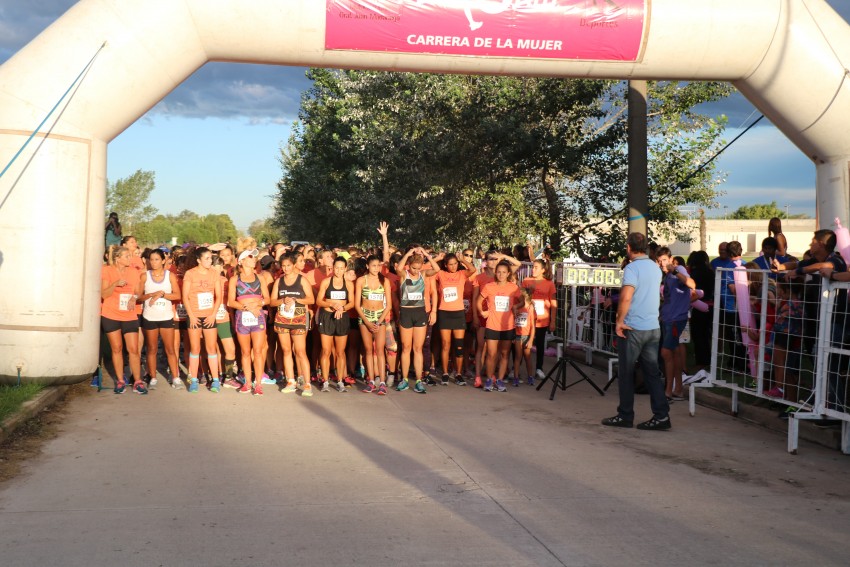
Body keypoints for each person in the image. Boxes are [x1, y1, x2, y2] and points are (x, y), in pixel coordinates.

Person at [601, 232, 671, 430]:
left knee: (626, 372)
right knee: (652, 373)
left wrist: (619, 321)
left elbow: (626, 297)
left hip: (633, 327)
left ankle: (625, 415)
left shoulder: (632, 268)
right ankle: (661, 415)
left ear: (629, 248)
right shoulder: (655, 268)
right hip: (652, 327)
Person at [100, 246, 146, 394]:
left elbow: (139, 291)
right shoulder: (107, 270)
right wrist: (114, 285)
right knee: (117, 348)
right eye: (126, 256)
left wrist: (134, 297)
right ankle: (120, 381)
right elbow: (104, 294)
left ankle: (137, 381)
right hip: (111, 314)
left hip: (129, 315)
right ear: (117, 258)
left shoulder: (133, 272)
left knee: (133, 349)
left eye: (130, 256)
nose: (130, 259)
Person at [395, 248, 440, 393]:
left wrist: (427, 256)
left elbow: (437, 268)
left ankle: (419, 381)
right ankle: (405, 379)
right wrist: (407, 254)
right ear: (409, 265)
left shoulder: (424, 274)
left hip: (420, 313)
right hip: (406, 313)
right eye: (414, 268)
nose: (416, 271)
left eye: (418, 268)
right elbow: (399, 268)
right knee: (406, 347)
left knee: (418, 348)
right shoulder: (404, 274)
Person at [271, 253, 316, 397]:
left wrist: (296, 299)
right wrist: (283, 300)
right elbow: (272, 301)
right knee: (285, 350)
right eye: (283, 266)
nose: (285, 268)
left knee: (300, 351)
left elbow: (311, 299)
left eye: (288, 265)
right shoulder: (279, 281)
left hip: (298, 318)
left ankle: (307, 383)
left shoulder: (302, 279)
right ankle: (290, 381)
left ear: (293, 265)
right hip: (283, 317)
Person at [228, 249, 270, 395]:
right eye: (250, 257)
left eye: (254, 257)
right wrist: (247, 307)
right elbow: (231, 302)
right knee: (245, 352)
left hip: (258, 316)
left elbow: (268, 299)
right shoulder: (235, 279)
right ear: (242, 261)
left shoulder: (260, 278)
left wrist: (257, 305)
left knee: (258, 351)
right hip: (242, 317)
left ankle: (258, 384)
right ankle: (247, 382)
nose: (254, 259)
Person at [137, 248, 181, 388]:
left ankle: (175, 377)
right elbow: (138, 297)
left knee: (170, 349)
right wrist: (151, 294)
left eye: (156, 259)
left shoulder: (170, 276)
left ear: (163, 261)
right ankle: (153, 378)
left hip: (166, 316)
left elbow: (177, 295)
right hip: (150, 317)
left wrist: (162, 294)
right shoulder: (145, 276)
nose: (154, 262)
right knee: (151, 348)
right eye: (151, 259)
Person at [182, 246, 223, 393]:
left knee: (211, 348)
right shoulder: (190, 274)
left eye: (210, 258)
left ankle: (215, 380)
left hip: (209, 315)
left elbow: (219, 296)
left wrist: (213, 314)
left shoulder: (214, 273)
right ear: (198, 260)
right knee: (195, 348)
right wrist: (192, 316)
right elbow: (185, 296)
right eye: (206, 258)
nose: (209, 261)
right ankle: (194, 379)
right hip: (194, 315)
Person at [656, 247, 695, 401]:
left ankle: (668, 390)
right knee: (674, 353)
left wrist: (675, 272)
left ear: (671, 259)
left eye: (664, 260)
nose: (661, 264)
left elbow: (692, 284)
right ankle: (677, 388)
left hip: (675, 319)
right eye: (659, 261)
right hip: (667, 318)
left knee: (666, 353)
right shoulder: (665, 276)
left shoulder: (678, 269)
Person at [476, 260, 522, 392]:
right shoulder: (489, 286)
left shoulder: (513, 287)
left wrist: (516, 306)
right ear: (495, 273)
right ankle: (490, 379)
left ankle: (500, 380)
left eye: (504, 272)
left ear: (508, 274)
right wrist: (481, 312)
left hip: (507, 326)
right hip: (492, 325)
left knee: (504, 354)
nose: (501, 275)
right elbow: (479, 301)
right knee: (491, 354)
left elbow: (523, 301)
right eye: (499, 272)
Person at [434, 251, 477, 386]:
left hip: (458, 313)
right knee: (446, 345)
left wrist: (462, 259)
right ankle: (446, 373)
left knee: (459, 346)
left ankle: (458, 374)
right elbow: (426, 269)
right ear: (445, 265)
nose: (453, 267)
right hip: (444, 313)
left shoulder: (461, 274)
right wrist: (437, 258)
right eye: (450, 264)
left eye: (455, 264)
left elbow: (473, 269)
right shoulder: (440, 274)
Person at [355, 255, 393, 395]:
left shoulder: (385, 281)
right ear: (367, 266)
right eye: (373, 265)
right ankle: (371, 381)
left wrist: (377, 322)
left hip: (379, 317)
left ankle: (382, 382)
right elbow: (357, 304)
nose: (376, 268)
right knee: (368, 350)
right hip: (365, 317)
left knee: (380, 350)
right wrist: (367, 322)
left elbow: (388, 305)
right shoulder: (361, 281)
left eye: (378, 265)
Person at [316, 256, 355, 392]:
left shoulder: (349, 284)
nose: (338, 271)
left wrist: (342, 308)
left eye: (341, 268)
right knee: (326, 351)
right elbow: (319, 301)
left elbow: (352, 303)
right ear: (333, 268)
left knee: (340, 352)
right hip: (327, 317)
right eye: (336, 268)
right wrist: (332, 304)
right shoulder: (326, 282)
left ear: (345, 269)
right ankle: (325, 381)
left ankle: (340, 381)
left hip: (342, 318)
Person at [521, 259, 557, 381]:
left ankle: (539, 368)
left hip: (542, 319)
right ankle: (516, 368)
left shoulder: (549, 284)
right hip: (527, 319)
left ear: (543, 270)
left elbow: (553, 303)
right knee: (522, 343)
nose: (533, 269)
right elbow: (522, 299)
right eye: (533, 267)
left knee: (540, 344)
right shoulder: (526, 281)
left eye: (536, 267)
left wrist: (553, 321)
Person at [686, 250, 714, 372]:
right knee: (706, 335)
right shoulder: (711, 272)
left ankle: (702, 361)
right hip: (711, 305)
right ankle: (707, 359)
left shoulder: (695, 274)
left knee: (698, 335)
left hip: (699, 305)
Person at [512, 288, 536, 386]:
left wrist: (531, 340)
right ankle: (516, 377)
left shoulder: (531, 308)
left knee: (527, 357)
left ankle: (530, 376)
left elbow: (533, 326)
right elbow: (512, 323)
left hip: (527, 335)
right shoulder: (516, 308)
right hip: (517, 335)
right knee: (518, 357)